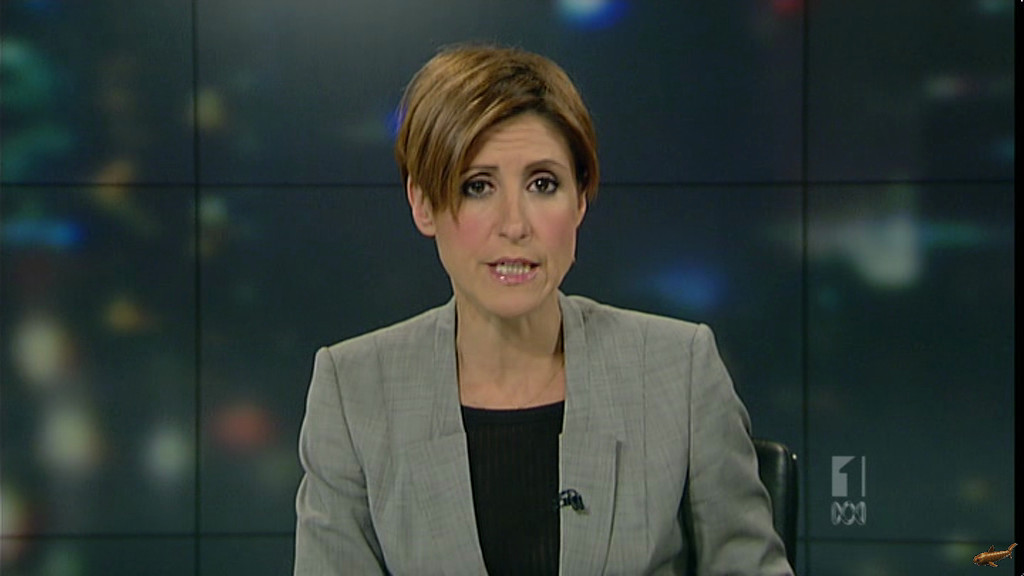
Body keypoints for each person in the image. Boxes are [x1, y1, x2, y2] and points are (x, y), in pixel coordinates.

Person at [294, 44, 794, 575]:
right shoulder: (355, 391)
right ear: (422, 203)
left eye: (542, 184)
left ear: (580, 199)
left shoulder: (678, 370)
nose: (515, 224)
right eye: (477, 186)